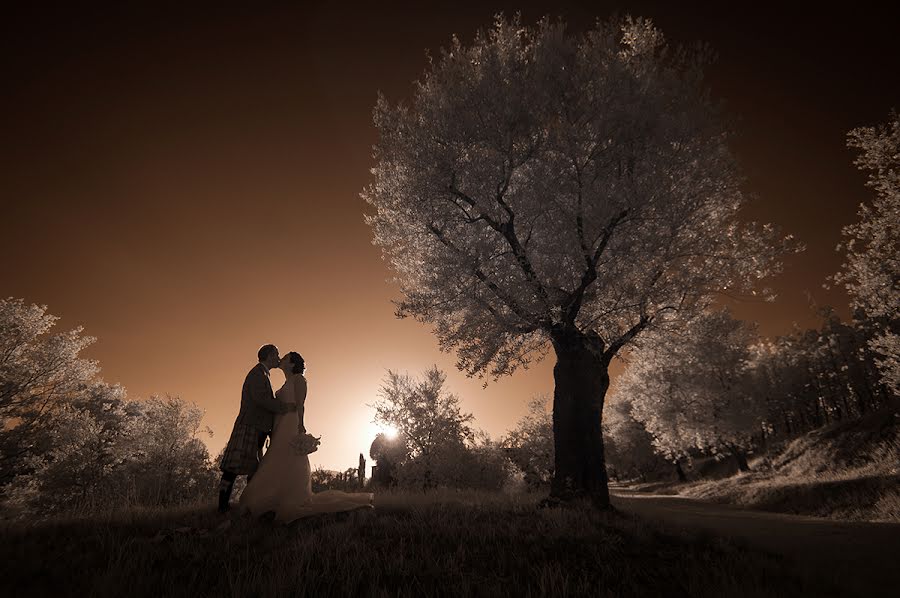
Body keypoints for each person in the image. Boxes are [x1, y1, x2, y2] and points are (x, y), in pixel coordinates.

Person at [239, 351, 373, 521]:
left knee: (288, 457)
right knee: (276, 459)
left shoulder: (299, 380)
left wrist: (300, 425)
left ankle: (290, 498)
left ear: (292, 364)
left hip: (290, 424)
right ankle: (272, 497)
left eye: (286, 358)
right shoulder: (285, 383)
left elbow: (300, 405)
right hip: (279, 426)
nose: (282, 359)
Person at [218, 344, 297, 512]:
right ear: (269, 355)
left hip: (256, 427)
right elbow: (262, 399)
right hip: (249, 426)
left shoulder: (262, 374)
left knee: (253, 469)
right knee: (232, 468)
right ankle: (222, 507)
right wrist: (285, 407)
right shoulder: (257, 374)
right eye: (276, 354)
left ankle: (249, 504)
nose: (278, 357)